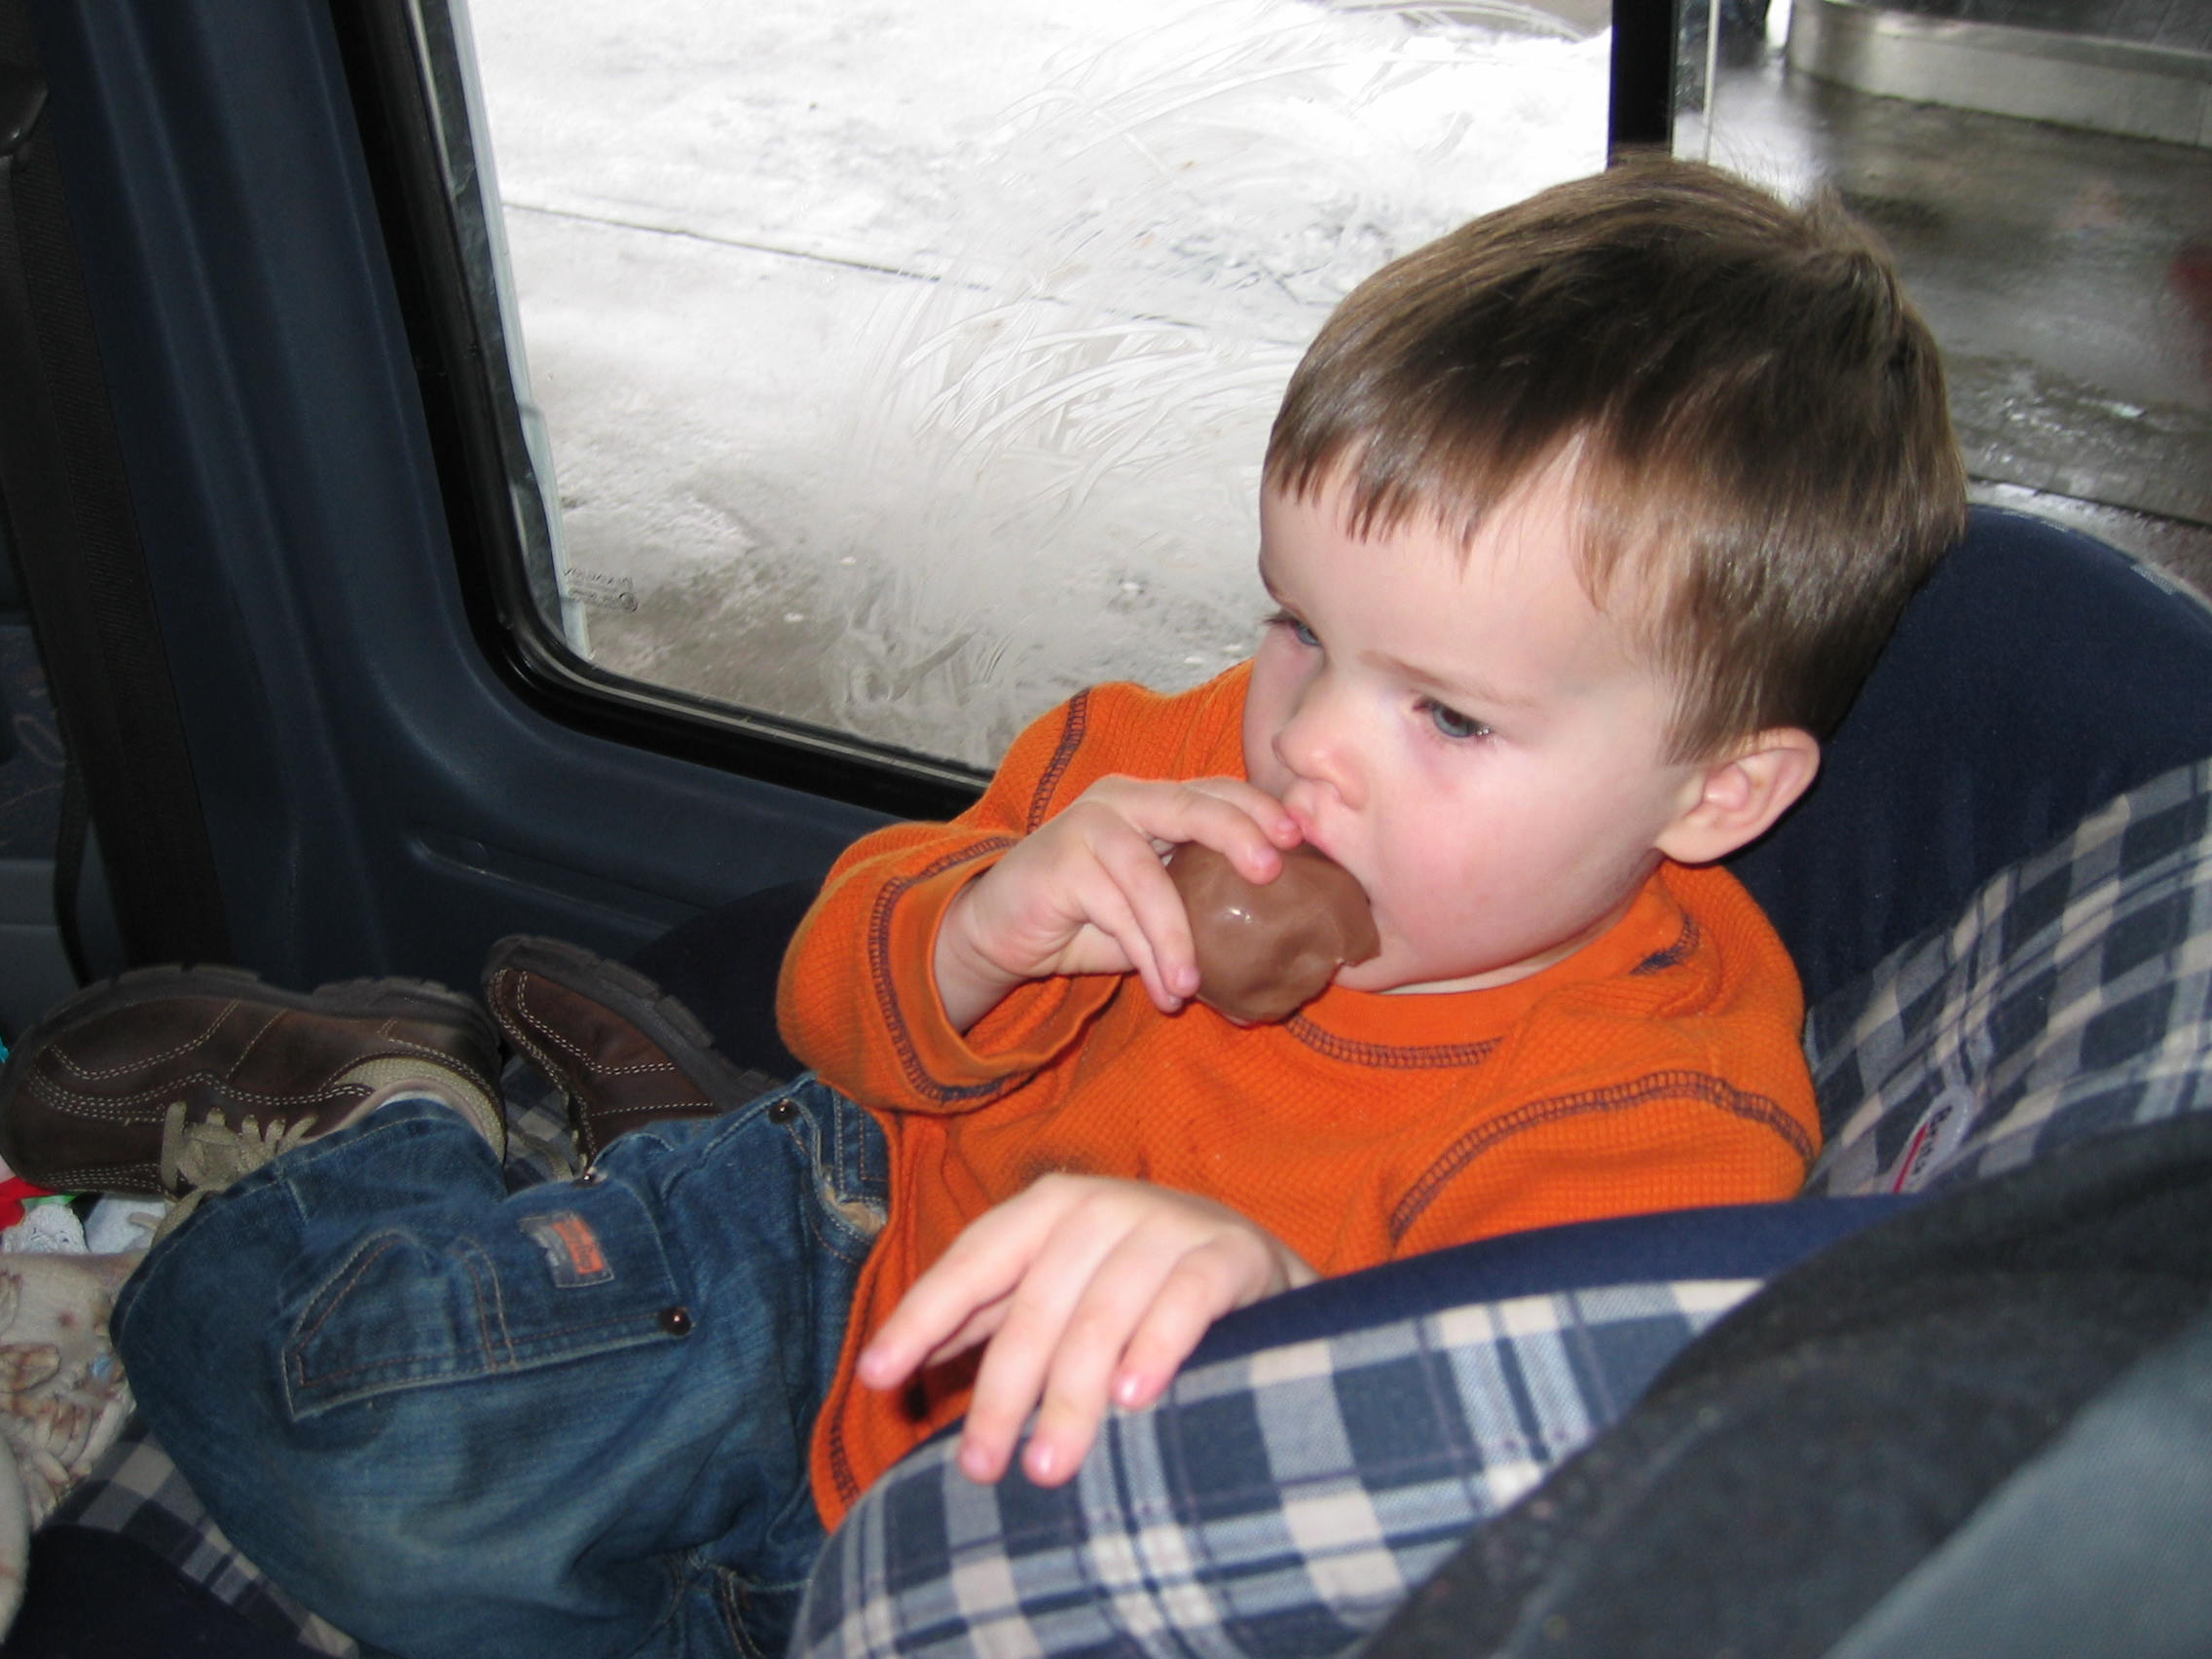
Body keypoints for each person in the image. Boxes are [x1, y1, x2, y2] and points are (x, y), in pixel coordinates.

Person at [0, 156, 1963, 1659]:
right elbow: (833, 994)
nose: (1307, 750)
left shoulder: (1648, 1129)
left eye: (1442, 711)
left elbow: (1496, 1500)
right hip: (843, 1250)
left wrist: (1271, 1306)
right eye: (1298, 627)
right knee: (355, 1451)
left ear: (1716, 793)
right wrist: (976, 931)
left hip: (1011, 1530)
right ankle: (395, 1111)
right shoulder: (1170, 755)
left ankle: (607, 1195)